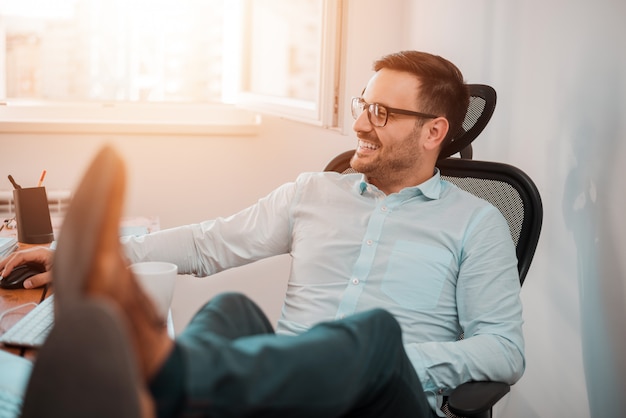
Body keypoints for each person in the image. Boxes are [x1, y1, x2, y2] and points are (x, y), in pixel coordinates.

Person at [1, 50, 524, 417]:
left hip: (387, 397)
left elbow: (503, 349)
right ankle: (163, 386)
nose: (361, 125)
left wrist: (403, 360)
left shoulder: (476, 223)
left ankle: (163, 377)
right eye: (362, 105)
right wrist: (90, 255)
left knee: (376, 337)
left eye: (381, 113)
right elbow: (210, 242)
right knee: (231, 310)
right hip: (287, 390)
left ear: (433, 131)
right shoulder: (314, 192)